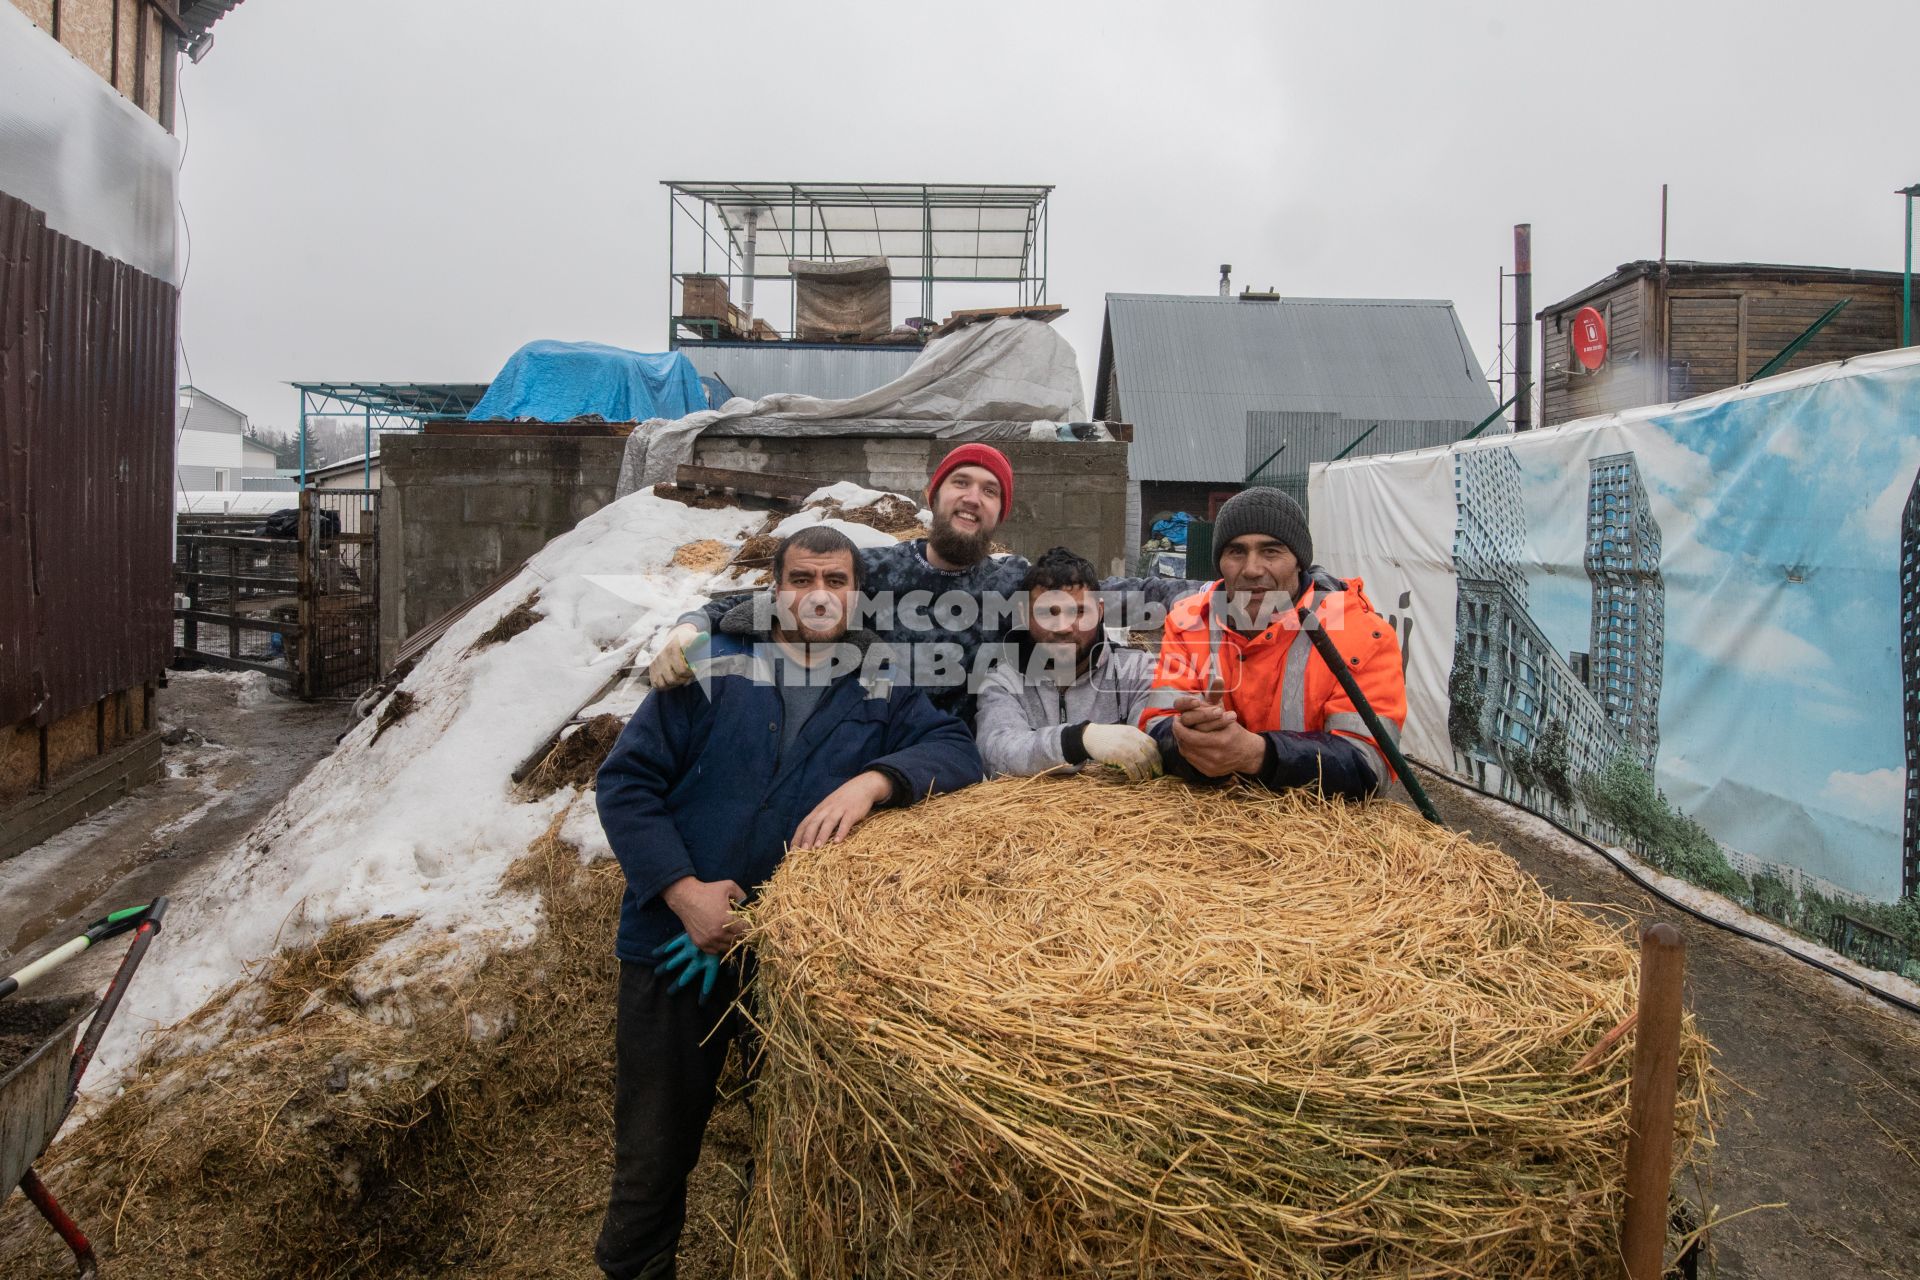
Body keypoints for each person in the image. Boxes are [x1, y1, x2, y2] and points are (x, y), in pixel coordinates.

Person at [592, 524, 982, 1280]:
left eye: (836, 581)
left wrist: (874, 781)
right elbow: (625, 784)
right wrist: (681, 891)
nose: (819, 595)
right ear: (776, 588)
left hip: (792, 968)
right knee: (654, 1146)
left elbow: (956, 751)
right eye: (803, 579)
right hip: (677, 950)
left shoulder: (882, 679)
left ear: (857, 594)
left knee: (790, 1138)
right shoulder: (713, 667)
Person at [647, 443, 1203, 724]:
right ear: (933, 496)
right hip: (874, 734)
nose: (973, 497)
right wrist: (688, 627)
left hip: (970, 750)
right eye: (961, 482)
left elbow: (1120, 593)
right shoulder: (878, 569)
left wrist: (1207, 597)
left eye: (989, 491)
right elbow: (772, 604)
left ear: (998, 513)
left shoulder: (1015, 581)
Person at [1139, 488, 1405, 800]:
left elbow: (1370, 764)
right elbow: (1157, 725)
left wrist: (1258, 755)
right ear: (1220, 562)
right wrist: (1188, 742)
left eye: (1271, 551)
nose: (1252, 569)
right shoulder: (1188, 623)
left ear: (1298, 561)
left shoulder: (1364, 635)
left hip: (1320, 840)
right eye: (1236, 551)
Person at [974, 546, 1160, 781]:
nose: (1063, 627)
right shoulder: (1002, 682)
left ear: (1100, 611)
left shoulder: (1136, 672)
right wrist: (1078, 740)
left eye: (1079, 611)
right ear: (1023, 614)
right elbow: (996, 753)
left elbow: (1157, 741)